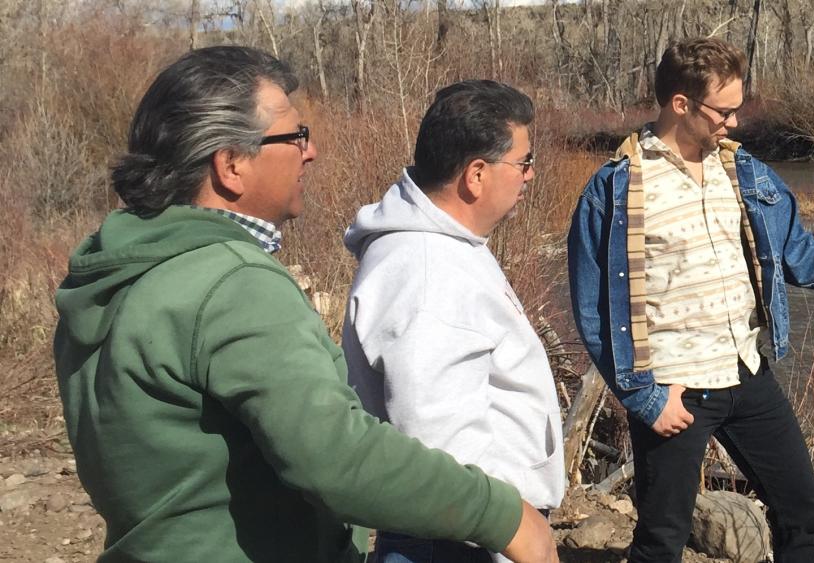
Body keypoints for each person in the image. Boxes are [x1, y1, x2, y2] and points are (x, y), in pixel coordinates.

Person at [52, 46, 556, 563]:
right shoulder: (231, 282)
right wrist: (504, 515)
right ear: (231, 165)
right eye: (296, 137)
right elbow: (335, 455)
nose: (309, 152)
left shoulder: (115, 273)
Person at [566, 37, 814, 562]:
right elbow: (594, 311)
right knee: (662, 539)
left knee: (802, 511)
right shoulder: (615, 188)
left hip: (747, 371)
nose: (734, 122)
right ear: (680, 104)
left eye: (737, 109)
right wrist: (644, 398)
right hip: (675, 388)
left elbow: (799, 253)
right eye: (723, 111)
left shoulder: (744, 173)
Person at [342, 80, 564, 563]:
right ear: (476, 175)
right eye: (524, 162)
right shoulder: (427, 273)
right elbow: (440, 443)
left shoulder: (443, 248)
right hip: (463, 541)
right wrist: (511, 538)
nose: (531, 175)